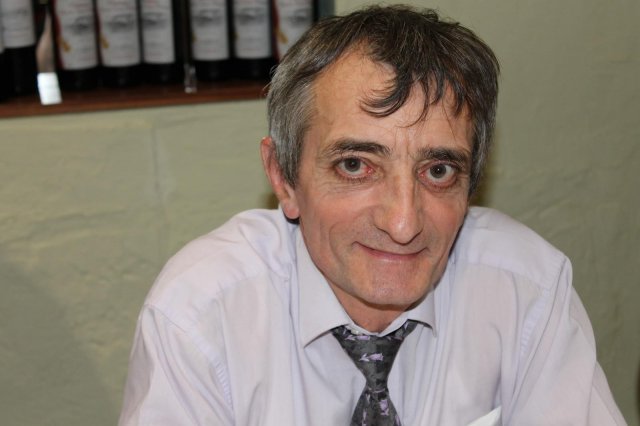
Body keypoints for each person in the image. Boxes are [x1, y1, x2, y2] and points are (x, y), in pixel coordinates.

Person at [119, 5, 626, 425]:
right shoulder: (200, 316)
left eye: (439, 171)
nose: (403, 224)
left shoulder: (526, 289)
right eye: (356, 165)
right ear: (284, 177)